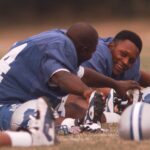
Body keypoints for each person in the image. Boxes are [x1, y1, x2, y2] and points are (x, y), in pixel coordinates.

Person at [0, 23, 140, 147]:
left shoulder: (61, 39)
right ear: (83, 49)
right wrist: (87, 92)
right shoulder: (62, 45)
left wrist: (115, 84)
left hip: (18, 98)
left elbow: (83, 74)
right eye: (92, 52)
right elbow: (62, 77)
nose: (91, 57)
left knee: (72, 109)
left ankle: (109, 116)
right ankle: (66, 126)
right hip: (4, 103)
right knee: (34, 115)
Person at [64, 30, 150, 123]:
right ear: (111, 46)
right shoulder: (96, 55)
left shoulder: (131, 65)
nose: (126, 62)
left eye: (131, 60)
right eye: (123, 54)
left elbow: (139, 76)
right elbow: (74, 92)